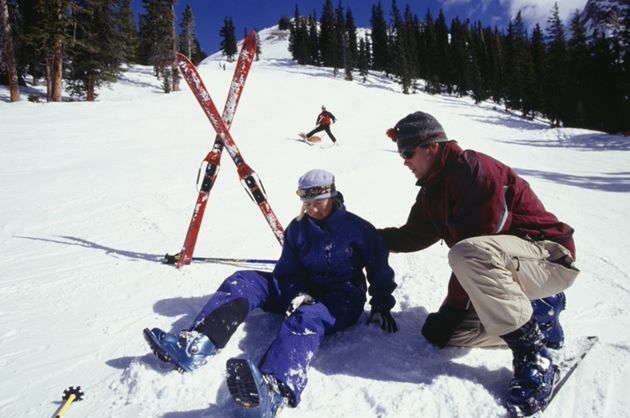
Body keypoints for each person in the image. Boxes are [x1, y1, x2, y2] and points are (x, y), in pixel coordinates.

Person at [144, 169, 397, 417]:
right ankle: (198, 344)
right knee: (244, 280)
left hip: (342, 297)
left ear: (332, 196)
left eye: (318, 202)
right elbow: (287, 270)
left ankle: (275, 389)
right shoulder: (298, 229)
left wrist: (381, 304)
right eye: (307, 203)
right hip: (302, 289)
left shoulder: (357, 228)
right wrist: (297, 292)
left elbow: (379, 268)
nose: (312, 209)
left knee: (307, 318)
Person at [379, 111, 579, 417]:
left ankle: (533, 355)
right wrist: (364, 237)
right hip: (509, 265)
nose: (404, 160)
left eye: (408, 152)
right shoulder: (433, 189)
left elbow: (476, 248)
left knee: (466, 254)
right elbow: (413, 236)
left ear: (431, 145)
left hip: (548, 257)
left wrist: (455, 306)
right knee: (444, 334)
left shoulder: (474, 171)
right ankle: (539, 317)